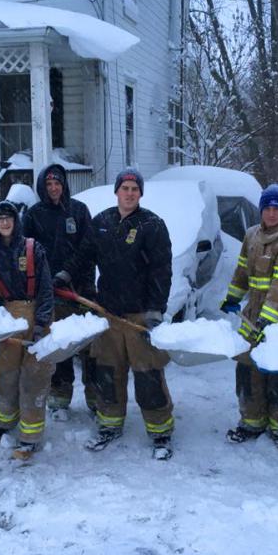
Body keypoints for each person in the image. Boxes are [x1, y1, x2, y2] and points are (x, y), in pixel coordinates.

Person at [55, 168, 175, 460]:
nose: (130, 193)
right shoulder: (103, 222)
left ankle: (160, 431)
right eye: (125, 188)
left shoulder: (152, 225)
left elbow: (162, 270)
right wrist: (65, 273)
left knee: (148, 375)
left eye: (135, 189)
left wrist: (156, 308)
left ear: (141, 193)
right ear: (117, 191)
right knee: (108, 373)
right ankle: (109, 424)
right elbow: (84, 255)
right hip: (107, 313)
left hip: (138, 316)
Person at [220, 184, 278, 453]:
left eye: (277, 209)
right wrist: (232, 298)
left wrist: (268, 321)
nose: (272, 213)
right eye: (267, 208)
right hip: (254, 318)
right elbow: (242, 272)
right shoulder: (251, 235)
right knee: (248, 368)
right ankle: (251, 421)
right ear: (261, 210)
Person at [0, 200, 55, 460]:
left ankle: (30, 435)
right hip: (8, 319)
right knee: (4, 372)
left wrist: (41, 325)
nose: (5, 223)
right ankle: (5, 421)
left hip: (37, 316)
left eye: (9, 218)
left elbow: (46, 290)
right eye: (0, 220)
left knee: (34, 376)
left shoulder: (33, 249)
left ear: (16, 221)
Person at [23, 163, 97, 420]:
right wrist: (43, 282)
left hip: (81, 288)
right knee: (60, 344)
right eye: (49, 184)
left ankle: (96, 398)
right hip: (51, 292)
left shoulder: (78, 210)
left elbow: (88, 247)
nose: (54, 188)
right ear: (43, 187)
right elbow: (27, 253)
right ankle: (60, 397)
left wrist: (70, 273)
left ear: (64, 185)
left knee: (90, 348)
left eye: (58, 183)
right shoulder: (33, 215)